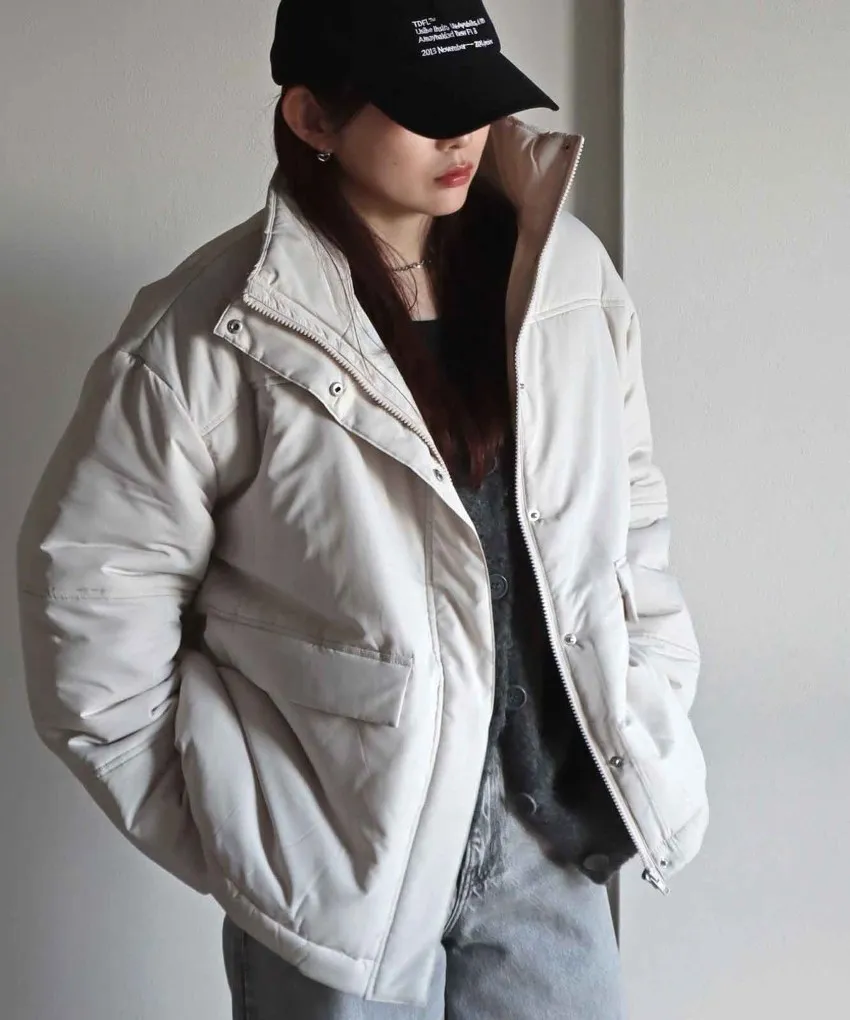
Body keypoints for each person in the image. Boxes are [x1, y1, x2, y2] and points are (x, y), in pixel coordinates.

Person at [15, 0, 709, 1017]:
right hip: (340, 867)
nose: (462, 134)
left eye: (476, 98)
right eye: (425, 106)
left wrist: (648, 687)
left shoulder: (565, 286)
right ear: (312, 118)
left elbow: (629, 517)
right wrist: (253, 839)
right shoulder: (212, 332)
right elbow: (92, 599)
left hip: (551, 842)